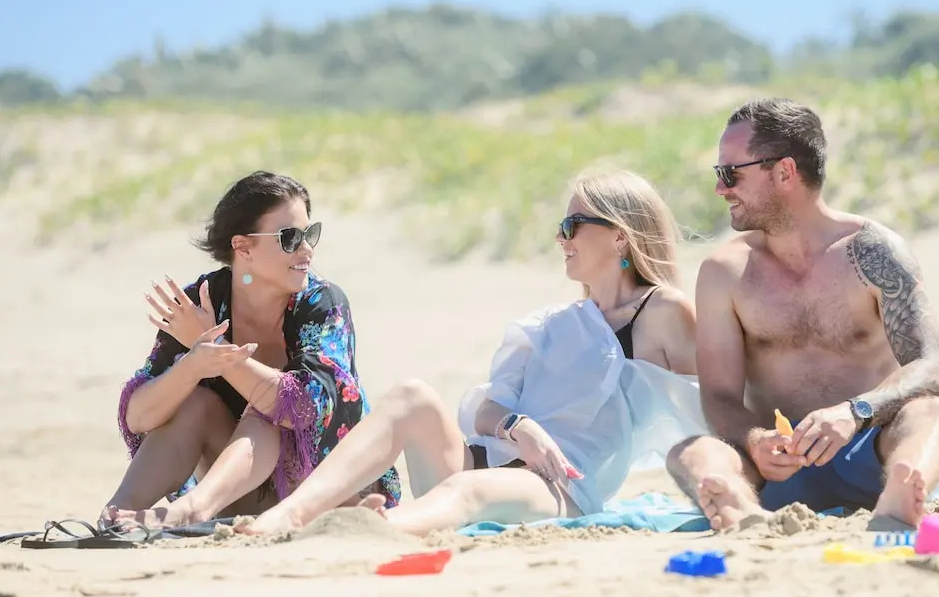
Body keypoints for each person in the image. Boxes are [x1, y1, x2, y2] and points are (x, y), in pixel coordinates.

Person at [236, 167, 709, 536]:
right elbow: (486, 409)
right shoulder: (551, 323)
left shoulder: (661, 312)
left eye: (572, 225)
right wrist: (518, 426)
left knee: (467, 489)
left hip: (559, 485)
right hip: (486, 459)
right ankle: (295, 512)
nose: (560, 238)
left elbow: (707, 410)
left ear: (620, 235)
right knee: (412, 396)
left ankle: (361, 528)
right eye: (561, 226)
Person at [666, 98, 939, 531]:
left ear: (784, 172)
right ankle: (742, 511)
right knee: (691, 452)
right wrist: (755, 440)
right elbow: (720, 397)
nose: (720, 189)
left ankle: (897, 502)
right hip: (777, 467)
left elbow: (934, 367)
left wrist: (855, 412)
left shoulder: (874, 252)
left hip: (868, 448)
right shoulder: (724, 272)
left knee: (933, 414)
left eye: (730, 173)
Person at [104, 171, 400, 528]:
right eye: (290, 238)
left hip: (328, 496)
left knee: (268, 404)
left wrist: (218, 351)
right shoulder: (203, 302)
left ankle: (190, 511)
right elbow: (138, 418)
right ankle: (115, 518)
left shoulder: (322, 303)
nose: (307, 250)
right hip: (241, 495)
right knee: (195, 401)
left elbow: (302, 409)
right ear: (243, 247)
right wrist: (194, 362)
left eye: (310, 234)